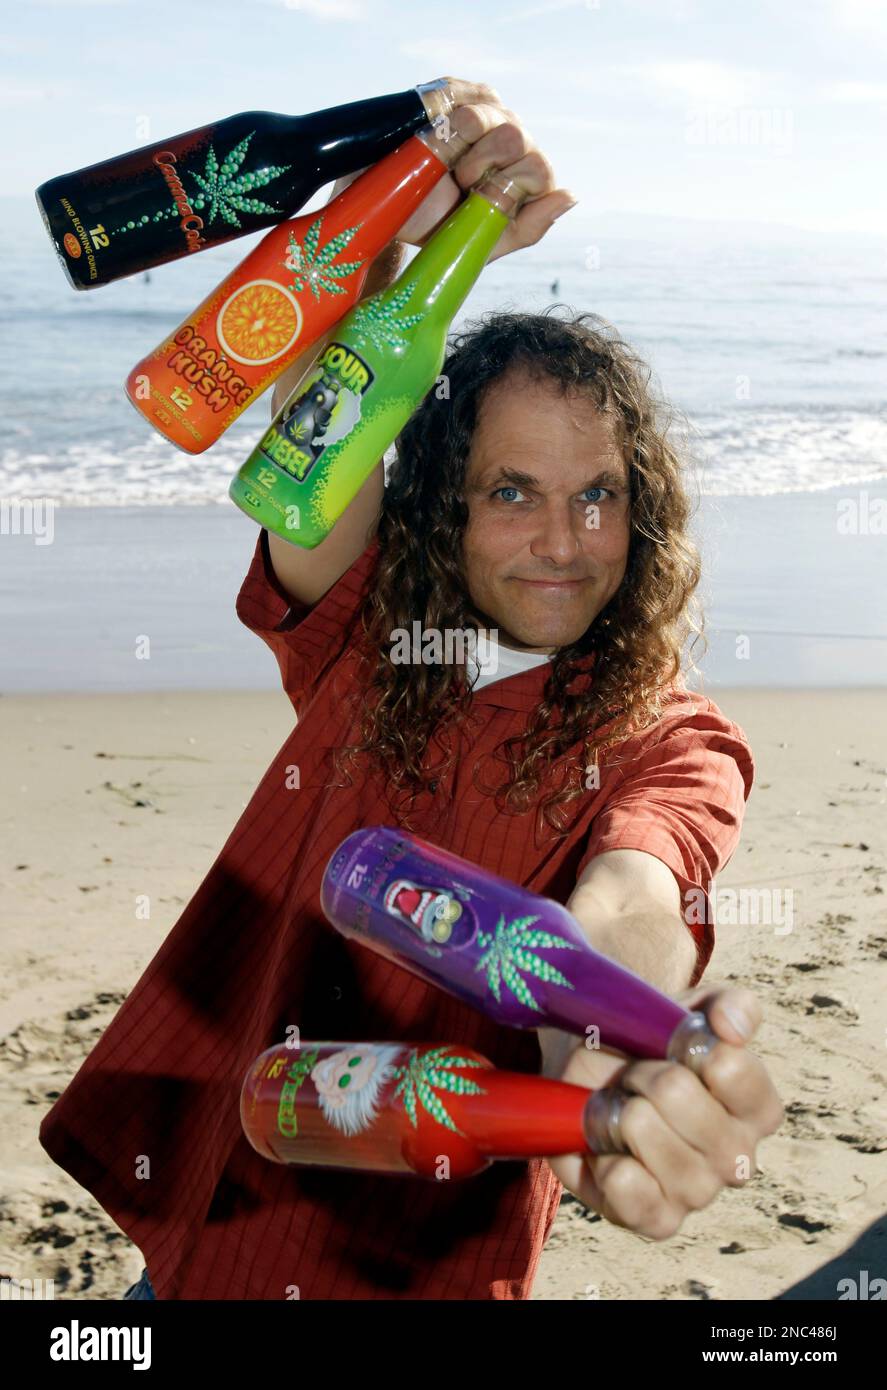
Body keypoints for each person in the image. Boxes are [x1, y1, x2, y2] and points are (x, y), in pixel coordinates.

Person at [41, 82, 782, 1302]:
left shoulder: (668, 736)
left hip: (421, 1273)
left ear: (640, 513)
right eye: (511, 491)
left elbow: (636, 900)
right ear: (446, 501)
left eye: (596, 493)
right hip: (213, 1223)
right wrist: (415, 221)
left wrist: (609, 1036)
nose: (561, 539)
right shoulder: (374, 631)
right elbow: (315, 427)